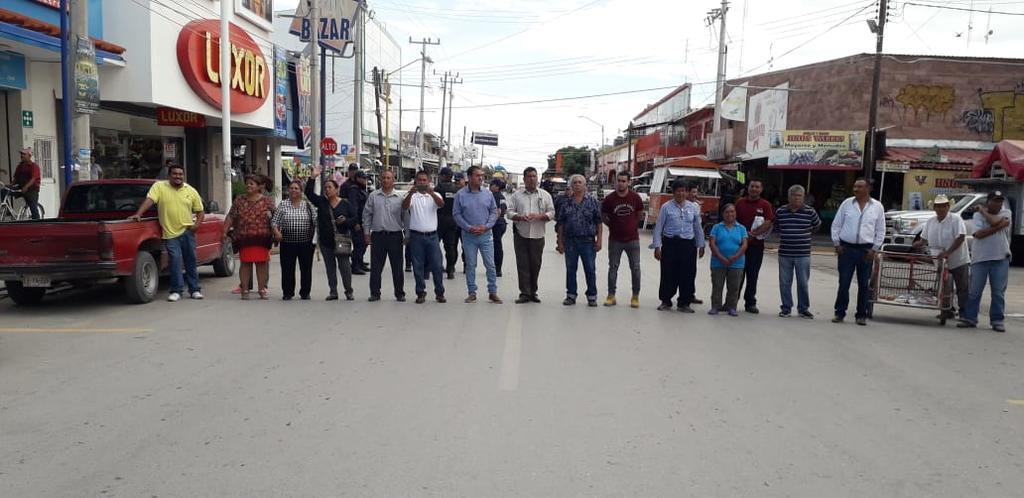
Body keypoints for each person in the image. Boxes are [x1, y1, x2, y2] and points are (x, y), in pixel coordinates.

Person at [127, 163, 205, 302]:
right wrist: (138, 214)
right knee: (174, 261)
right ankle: (176, 291)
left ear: (184, 176)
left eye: (180, 174)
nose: (178, 176)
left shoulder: (191, 190)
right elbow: (150, 200)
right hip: (170, 233)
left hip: (187, 231)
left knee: (190, 261)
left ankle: (194, 290)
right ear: (169, 175)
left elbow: (200, 211)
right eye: (174, 174)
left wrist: (196, 226)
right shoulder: (159, 187)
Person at [830, 178, 885, 326]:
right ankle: (839, 313)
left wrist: (874, 249)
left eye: (859, 187)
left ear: (868, 189)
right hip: (846, 249)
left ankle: (861, 315)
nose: (856, 189)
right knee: (844, 282)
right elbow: (836, 225)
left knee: (864, 284)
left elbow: (880, 230)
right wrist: (837, 244)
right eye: (855, 186)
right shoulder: (847, 204)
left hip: (866, 250)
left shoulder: (877, 207)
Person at [958, 191, 1013, 332]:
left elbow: (994, 222)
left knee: (998, 292)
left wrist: (983, 211)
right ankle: (970, 318)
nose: (998, 204)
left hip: (1000, 257)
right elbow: (978, 235)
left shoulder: (1006, 212)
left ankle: (997, 320)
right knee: (975, 291)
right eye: (995, 201)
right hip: (980, 258)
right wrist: (998, 226)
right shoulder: (977, 216)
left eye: (1000, 201)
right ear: (988, 201)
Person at [652, 181, 705, 312]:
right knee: (668, 273)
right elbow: (658, 228)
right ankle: (666, 301)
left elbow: (697, 227)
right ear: (673, 192)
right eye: (678, 191)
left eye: (683, 191)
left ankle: (684, 302)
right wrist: (657, 247)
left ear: (687, 192)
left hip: (688, 245)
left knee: (687, 274)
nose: (681, 193)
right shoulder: (666, 207)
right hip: (670, 244)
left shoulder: (693, 207)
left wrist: (701, 245)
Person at [914, 194, 969, 320]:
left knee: (962, 287)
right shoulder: (931, 221)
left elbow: (960, 237)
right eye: (938, 206)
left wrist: (948, 252)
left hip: (957, 259)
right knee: (944, 287)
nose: (940, 209)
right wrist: (919, 243)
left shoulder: (956, 219)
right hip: (939, 261)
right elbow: (924, 238)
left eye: (943, 206)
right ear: (934, 208)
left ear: (948, 206)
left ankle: (964, 313)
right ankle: (947, 309)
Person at [453, 165, 502, 304]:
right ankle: (472, 292)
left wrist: (486, 226)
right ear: (469, 177)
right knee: (470, 264)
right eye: (477, 175)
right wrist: (468, 227)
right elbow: (456, 214)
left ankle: (492, 292)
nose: (480, 178)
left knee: (490, 265)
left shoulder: (488, 194)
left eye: (482, 175)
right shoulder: (460, 195)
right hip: (469, 236)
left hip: (486, 235)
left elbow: (494, 211)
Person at [307, 167, 357, 301]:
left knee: (345, 267)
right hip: (326, 242)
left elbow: (355, 219)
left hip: (342, 241)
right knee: (330, 268)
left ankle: (348, 291)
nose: (327, 190)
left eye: (330, 187)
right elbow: (309, 194)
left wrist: (345, 221)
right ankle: (333, 291)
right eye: (325, 188)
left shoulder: (345, 203)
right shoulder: (322, 203)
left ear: (337, 189)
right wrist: (313, 177)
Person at [223, 175, 276, 300]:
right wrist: (224, 231)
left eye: (252, 183)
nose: (248, 186)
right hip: (244, 237)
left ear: (259, 187)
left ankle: (262, 289)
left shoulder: (267, 201)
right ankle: (245, 289)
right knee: (245, 264)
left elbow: (276, 216)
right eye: (247, 183)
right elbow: (231, 216)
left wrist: (277, 232)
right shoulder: (239, 200)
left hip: (262, 238)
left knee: (261, 264)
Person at [507, 166, 555, 304]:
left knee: (535, 264)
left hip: (538, 235)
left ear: (537, 178)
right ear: (524, 179)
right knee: (522, 264)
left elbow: (552, 213)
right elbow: (509, 212)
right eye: (529, 176)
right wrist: (520, 217)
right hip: (521, 234)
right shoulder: (517, 195)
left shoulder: (545, 195)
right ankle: (524, 293)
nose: (532, 179)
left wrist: (540, 216)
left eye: (534, 176)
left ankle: (533, 291)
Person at [774, 185, 822, 319]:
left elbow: (817, 225)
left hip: (803, 254)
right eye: (793, 195)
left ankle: (803, 308)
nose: (796, 198)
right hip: (785, 253)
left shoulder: (810, 211)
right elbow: (777, 227)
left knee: (803, 282)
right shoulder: (780, 211)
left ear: (803, 197)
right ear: (789, 197)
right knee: (784, 282)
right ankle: (786, 308)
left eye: (799, 196)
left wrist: (803, 236)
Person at [556, 174, 603, 307]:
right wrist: (560, 242)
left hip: (588, 241)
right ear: (571, 186)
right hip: (570, 241)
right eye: (575, 182)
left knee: (590, 268)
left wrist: (599, 240)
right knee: (571, 269)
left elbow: (599, 222)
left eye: (580, 182)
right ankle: (571, 295)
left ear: (585, 185)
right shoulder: (565, 203)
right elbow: (561, 224)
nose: (577, 184)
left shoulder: (593, 201)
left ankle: (592, 296)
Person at [601, 172, 645, 308]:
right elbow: (603, 216)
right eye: (618, 181)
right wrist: (613, 226)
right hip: (615, 240)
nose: (621, 183)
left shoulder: (635, 197)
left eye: (623, 181)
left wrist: (631, 226)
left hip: (633, 240)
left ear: (629, 182)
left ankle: (635, 296)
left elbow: (640, 215)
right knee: (613, 267)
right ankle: (611, 296)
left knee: (636, 268)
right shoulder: (609, 199)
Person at [403, 170, 447, 303]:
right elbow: (404, 207)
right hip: (416, 236)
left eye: (424, 180)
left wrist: (431, 193)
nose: (422, 183)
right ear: (415, 181)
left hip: (432, 236)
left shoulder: (435, 194)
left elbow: (441, 205)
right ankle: (420, 293)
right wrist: (411, 193)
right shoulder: (412, 196)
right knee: (418, 266)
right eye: (419, 180)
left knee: (437, 265)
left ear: (428, 182)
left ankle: (439, 293)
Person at [363, 169, 406, 302]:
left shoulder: (400, 198)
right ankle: (375, 293)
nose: (386, 180)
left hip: (395, 236)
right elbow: (367, 215)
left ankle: (399, 293)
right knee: (376, 266)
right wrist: (366, 233)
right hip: (378, 236)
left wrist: (407, 234)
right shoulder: (373, 196)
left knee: (397, 267)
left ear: (393, 180)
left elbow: (406, 217)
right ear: (380, 180)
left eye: (389, 178)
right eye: (384, 178)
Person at [272, 180, 317, 300]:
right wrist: (277, 232)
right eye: (291, 188)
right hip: (287, 242)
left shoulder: (308, 205)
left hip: (306, 243)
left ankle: (305, 292)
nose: (293, 190)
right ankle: (287, 292)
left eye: (296, 188)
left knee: (306, 269)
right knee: (287, 269)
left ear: (301, 191)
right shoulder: (283, 204)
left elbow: (316, 221)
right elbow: (274, 222)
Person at [734, 179, 774, 314]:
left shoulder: (765, 205)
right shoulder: (739, 203)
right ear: (748, 188)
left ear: (761, 189)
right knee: (737, 274)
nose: (754, 189)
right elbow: (732, 221)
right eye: (752, 186)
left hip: (756, 247)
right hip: (739, 245)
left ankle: (750, 302)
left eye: (757, 187)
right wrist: (743, 236)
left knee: (752, 275)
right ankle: (732, 301)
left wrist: (754, 234)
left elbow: (768, 222)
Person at [708, 204, 748, 316]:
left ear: (736, 213)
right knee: (717, 285)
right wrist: (720, 256)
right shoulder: (717, 227)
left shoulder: (741, 228)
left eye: (732, 212)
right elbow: (712, 243)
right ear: (723, 214)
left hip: (737, 263)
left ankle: (731, 307)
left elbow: (744, 245)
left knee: (734, 287)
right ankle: (715, 306)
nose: (730, 214)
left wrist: (735, 257)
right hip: (718, 262)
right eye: (727, 212)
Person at [435, 167, 462, 279]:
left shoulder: (438, 188)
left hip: (439, 219)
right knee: (450, 246)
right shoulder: (457, 189)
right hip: (453, 220)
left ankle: (437, 266)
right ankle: (450, 270)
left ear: (443, 176)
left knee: (435, 245)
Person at [347, 171, 370, 274]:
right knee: (359, 244)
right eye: (363, 178)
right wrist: (355, 222)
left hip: (364, 221)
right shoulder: (354, 190)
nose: (365, 180)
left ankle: (360, 263)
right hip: (357, 222)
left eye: (366, 178)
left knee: (364, 243)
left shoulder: (362, 189)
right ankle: (355, 266)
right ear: (357, 178)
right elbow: (353, 207)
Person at [12, 148, 42, 220]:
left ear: (29, 156)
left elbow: (33, 178)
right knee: (4, 191)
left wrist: (26, 187)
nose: (21, 155)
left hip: (32, 189)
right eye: (21, 154)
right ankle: (6, 210)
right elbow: (16, 178)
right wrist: (11, 185)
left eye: (24, 154)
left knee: (33, 207)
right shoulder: (20, 166)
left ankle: (37, 222)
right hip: (21, 187)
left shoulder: (34, 166)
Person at [490, 178, 509, 277]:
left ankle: (495, 268)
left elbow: (498, 212)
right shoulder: (502, 197)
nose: (490, 186)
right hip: (502, 224)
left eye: (492, 184)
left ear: (497, 186)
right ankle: (498, 269)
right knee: (498, 245)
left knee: (494, 246)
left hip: (495, 224)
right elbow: (504, 210)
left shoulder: (493, 196)